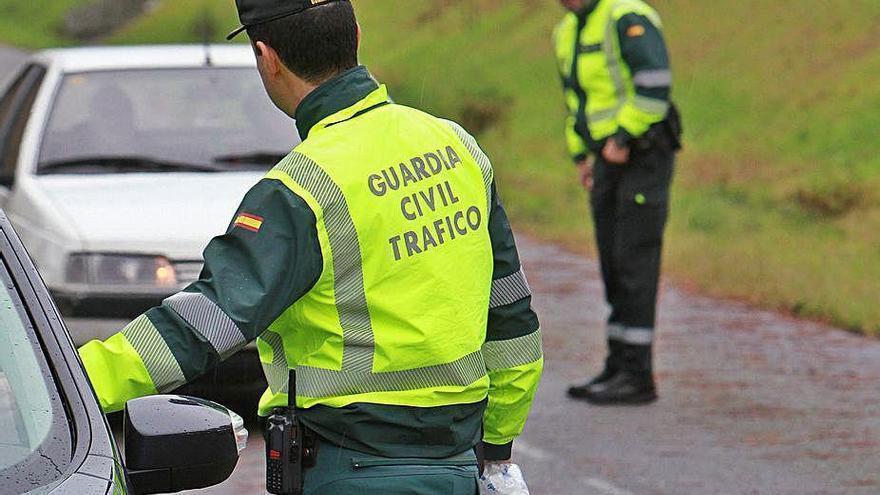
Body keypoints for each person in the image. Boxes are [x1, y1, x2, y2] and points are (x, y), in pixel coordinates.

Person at [78, 0, 543, 492]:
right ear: (356, 34)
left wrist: (68, 383)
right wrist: (497, 453)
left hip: (350, 473)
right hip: (461, 469)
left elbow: (202, 324)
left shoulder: (302, 189)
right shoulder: (457, 147)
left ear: (266, 57)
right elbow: (512, 318)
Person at [554, 0, 681, 405]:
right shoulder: (567, 32)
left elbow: (655, 84)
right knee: (612, 259)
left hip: (642, 152)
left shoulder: (627, 16)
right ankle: (618, 365)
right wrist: (581, 154)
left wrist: (623, 137)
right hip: (605, 159)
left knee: (635, 259)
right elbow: (577, 103)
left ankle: (638, 374)